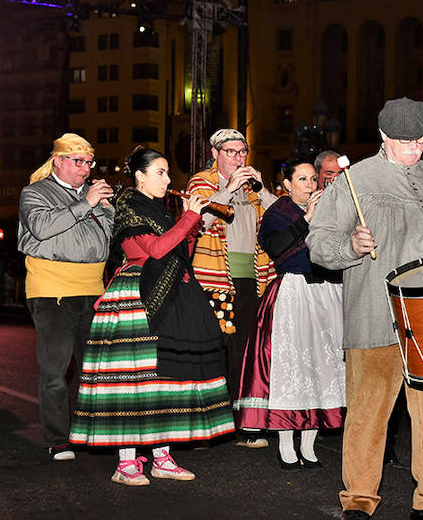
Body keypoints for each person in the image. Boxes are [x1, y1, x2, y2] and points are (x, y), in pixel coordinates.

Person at [307, 97, 423, 520]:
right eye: (405, 141)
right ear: (384, 137)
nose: (414, 148)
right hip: (375, 312)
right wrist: (350, 246)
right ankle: (358, 501)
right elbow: (319, 243)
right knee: (369, 413)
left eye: (420, 141)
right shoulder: (356, 181)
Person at [71, 148, 235, 485]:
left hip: (169, 292)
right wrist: (189, 218)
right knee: (133, 381)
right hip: (136, 294)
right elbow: (155, 250)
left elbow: (178, 253)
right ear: (140, 176)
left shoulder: (159, 209)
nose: (168, 179)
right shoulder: (130, 205)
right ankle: (126, 463)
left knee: (163, 378)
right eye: (160, 172)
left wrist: (191, 227)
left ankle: (162, 457)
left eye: (167, 172)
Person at [234, 160, 346, 468]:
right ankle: (286, 441)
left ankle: (309, 443)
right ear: (287, 185)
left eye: (313, 179)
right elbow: (276, 248)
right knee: (291, 366)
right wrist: (307, 218)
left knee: (320, 366)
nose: (310, 184)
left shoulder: (330, 211)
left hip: (325, 292)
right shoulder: (278, 213)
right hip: (293, 293)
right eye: (302, 179)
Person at [18, 134, 116, 458]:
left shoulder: (93, 197)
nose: (85, 169)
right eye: (78, 161)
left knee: (97, 370)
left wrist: (107, 208)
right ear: (58, 160)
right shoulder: (34, 192)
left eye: (89, 162)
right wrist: (85, 203)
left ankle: (95, 432)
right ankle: (58, 438)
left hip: (93, 291)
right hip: (51, 291)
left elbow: (107, 241)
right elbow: (41, 227)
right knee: (55, 369)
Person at [187, 128, 278, 449]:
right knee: (213, 351)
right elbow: (201, 221)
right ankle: (207, 425)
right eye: (231, 152)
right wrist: (228, 187)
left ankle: (244, 424)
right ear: (215, 153)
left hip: (252, 279)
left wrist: (263, 189)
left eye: (242, 152)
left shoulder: (253, 187)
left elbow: (280, 217)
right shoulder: (202, 181)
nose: (239, 158)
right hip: (213, 279)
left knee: (246, 350)